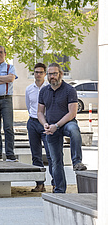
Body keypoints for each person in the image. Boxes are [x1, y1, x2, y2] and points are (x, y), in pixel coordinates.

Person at [38, 63, 87, 193]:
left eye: (54, 73)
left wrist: (57, 125)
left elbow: (72, 113)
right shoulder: (44, 91)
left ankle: (77, 161)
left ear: (61, 74)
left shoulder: (69, 90)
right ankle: (59, 190)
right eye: (49, 74)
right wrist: (45, 124)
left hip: (66, 123)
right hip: (51, 127)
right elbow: (39, 112)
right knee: (55, 161)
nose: (52, 76)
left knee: (74, 130)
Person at [25, 63, 53, 192]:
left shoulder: (50, 88)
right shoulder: (29, 89)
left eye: (41, 72)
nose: (38, 74)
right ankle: (40, 184)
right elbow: (28, 105)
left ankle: (55, 183)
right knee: (36, 155)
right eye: (36, 72)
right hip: (32, 123)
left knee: (51, 154)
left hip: (46, 124)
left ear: (45, 74)